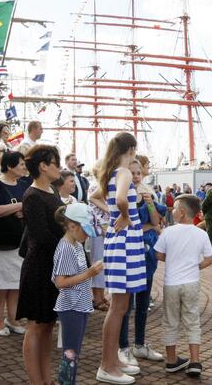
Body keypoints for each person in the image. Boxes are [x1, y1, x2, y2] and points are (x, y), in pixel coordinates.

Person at [94, 132, 143, 384]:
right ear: (131, 149)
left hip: (120, 241)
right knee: (118, 307)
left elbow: (105, 198)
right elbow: (122, 199)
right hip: (125, 241)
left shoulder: (111, 171)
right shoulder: (123, 172)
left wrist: (117, 215)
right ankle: (107, 365)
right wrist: (124, 216)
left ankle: (112, 361)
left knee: (120, 306)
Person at [17, 144, 64, 384]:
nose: (59, 167)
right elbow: (41, 235)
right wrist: (68, 247)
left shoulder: (52, 192)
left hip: (52, 266)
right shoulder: (33, 195)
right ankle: (37, 380)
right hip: (39, 267)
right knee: (36, 326)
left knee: (48, 326)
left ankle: (47, 379)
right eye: (56, 163)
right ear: (43, 166)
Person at [154, 194, 212, 378]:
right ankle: (195, 361)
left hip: (171, 283)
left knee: (171, 321)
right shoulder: (201, 233)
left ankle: (171, 361)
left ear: (180, 212)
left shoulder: (168, 232)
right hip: (191, 282)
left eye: (174, 209)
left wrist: (172, 259)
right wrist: (196, 266)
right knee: (192, 320)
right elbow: (210, 259)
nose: (172, 212)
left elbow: (159, 254)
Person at [117, 158, 165, 367]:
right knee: (125, 304)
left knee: (144, 301)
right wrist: (148, 228)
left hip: (147, 253)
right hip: (129, 250)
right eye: (132, 172)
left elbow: (156, 222)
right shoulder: (121, 197)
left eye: (139, 173)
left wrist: (149, 204)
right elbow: (128, 226)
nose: (136, 176)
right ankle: (123, 347)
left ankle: (139, 344)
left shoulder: (148, 193)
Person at [52, 202, 104, 385]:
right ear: (72, 226)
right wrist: (89, 273)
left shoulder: (76, 244)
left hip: (79, 304)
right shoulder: (67, 247)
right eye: (85, 230)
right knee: (70, 353)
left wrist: (88, 273)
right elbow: (60, 282)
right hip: (71, 306)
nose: (88, 235)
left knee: (73, 352)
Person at [0, 151, 28, 336]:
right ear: (10, 166)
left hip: (18, 242)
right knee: (0, 284)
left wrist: (22, 211)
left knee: (15, 283)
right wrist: (19, 206)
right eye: (21, 164)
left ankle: (13, 317)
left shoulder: (23, 185)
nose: (24, 167)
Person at [88, 173, 111, 312]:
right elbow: (95, 210)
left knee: (102, 263)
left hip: (104, 228)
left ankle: (100, 296)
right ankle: (97, 298)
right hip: (99, 230)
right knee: (98, 262)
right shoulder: (96, 186)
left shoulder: (100, 185)